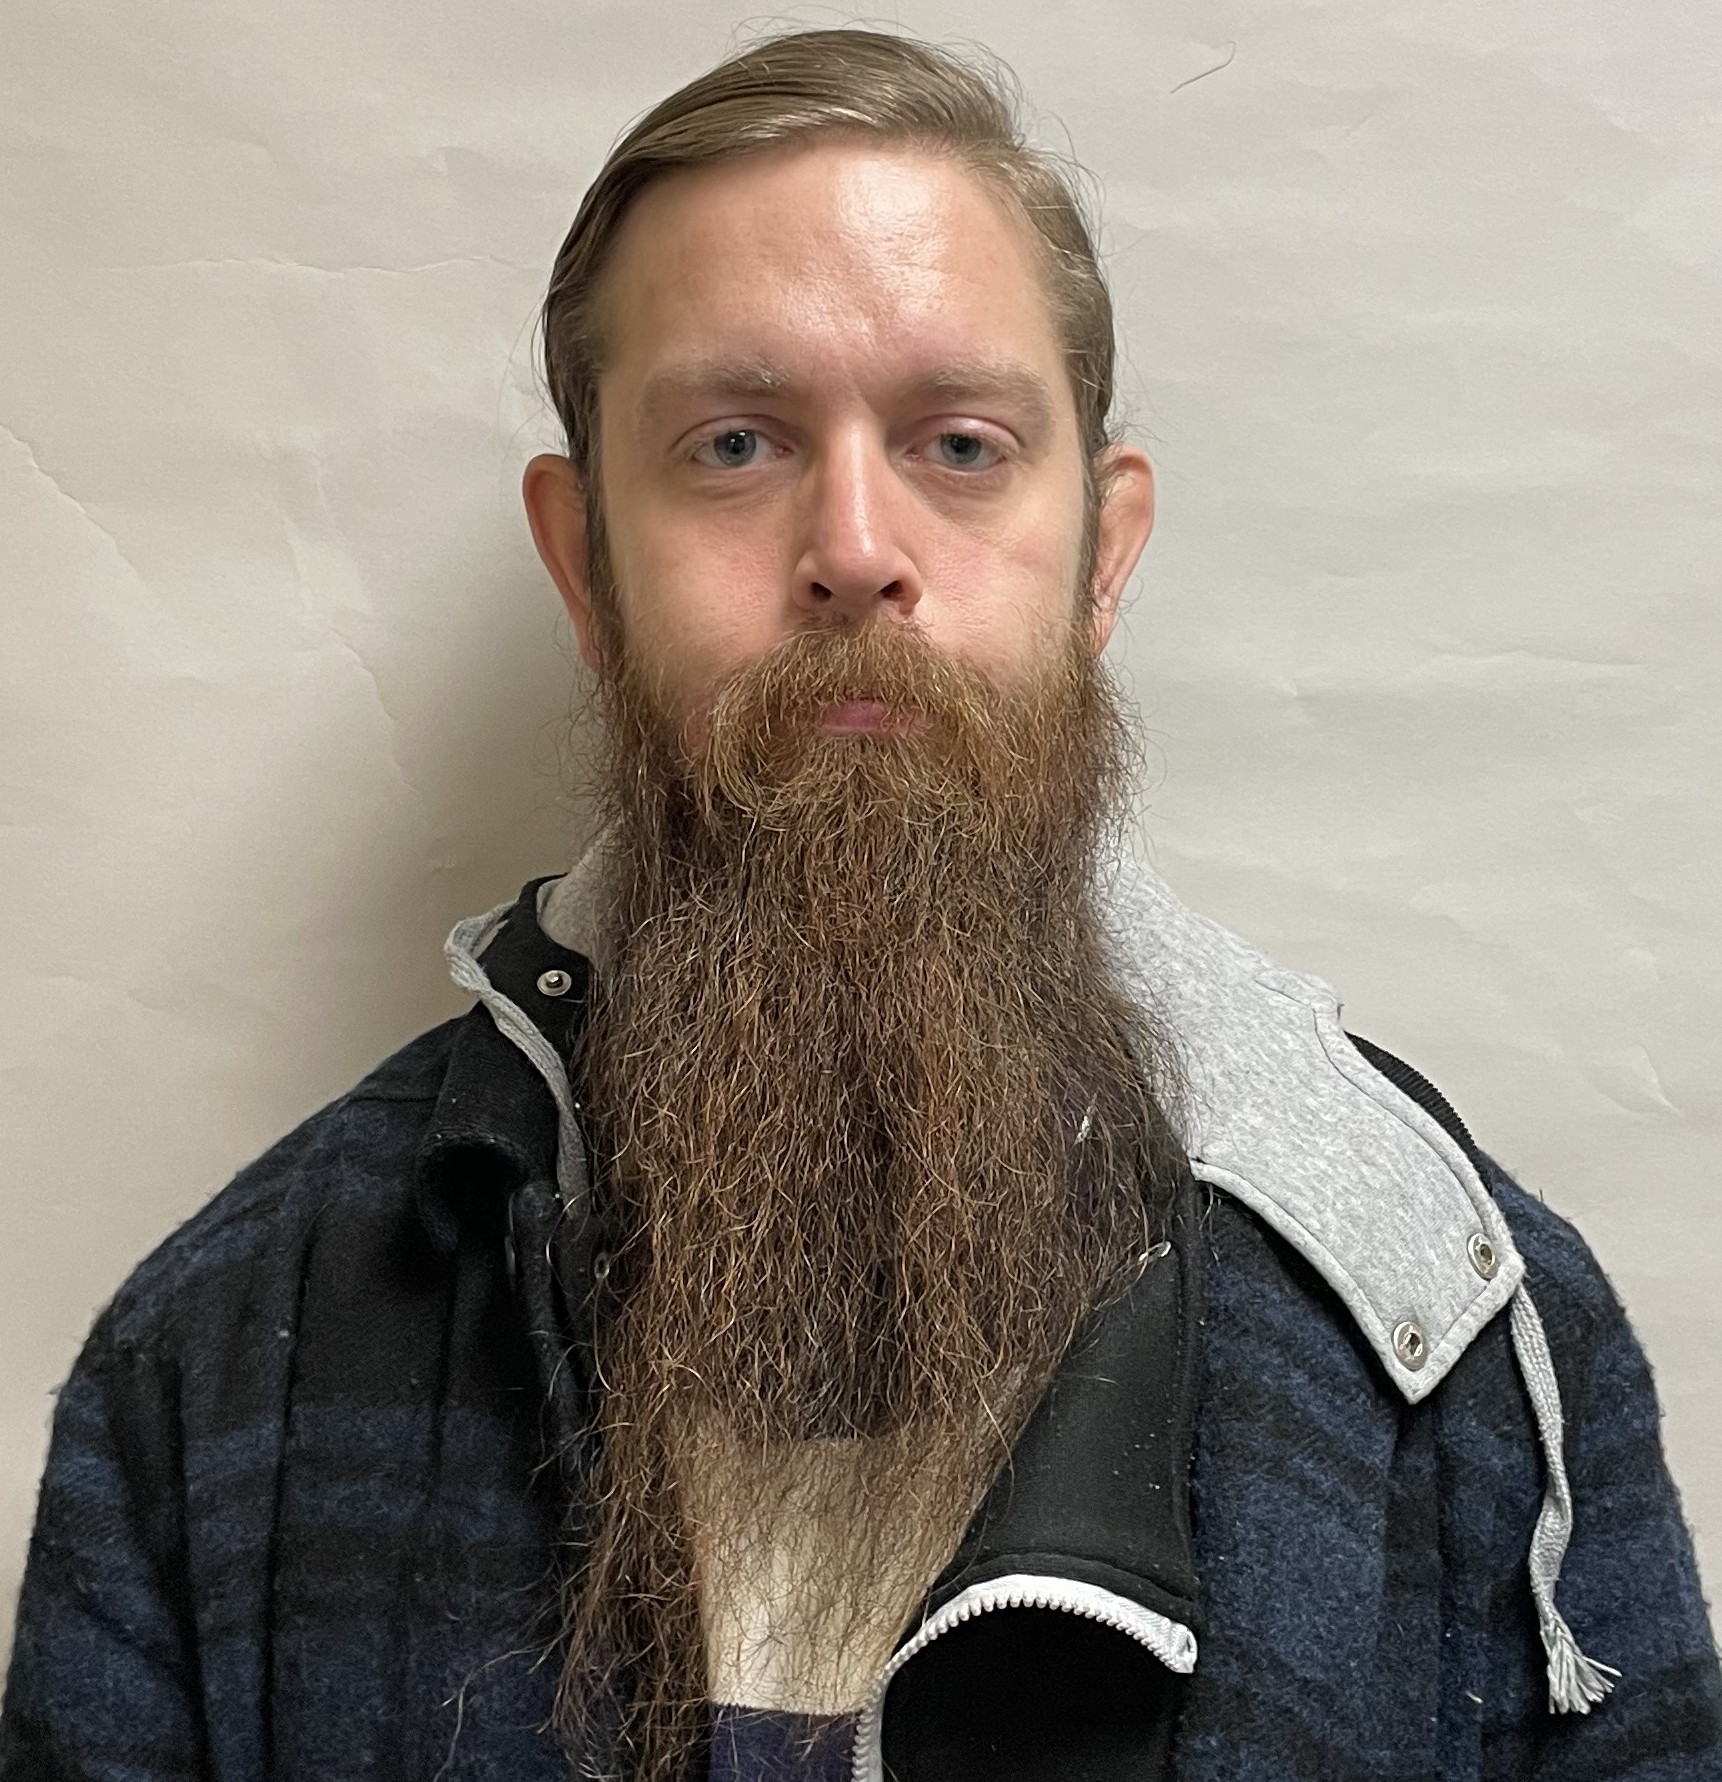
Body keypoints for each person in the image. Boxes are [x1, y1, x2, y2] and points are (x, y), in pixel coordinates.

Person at [3, 25, 1718, 1782]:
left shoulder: (1467, 1357)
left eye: (959, 444)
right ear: (585, 562)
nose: (852, 546)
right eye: (734, 443)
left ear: (1103, 554)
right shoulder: (219, 1372)